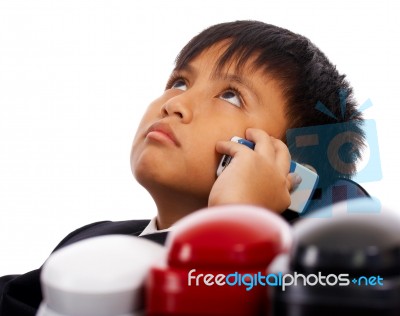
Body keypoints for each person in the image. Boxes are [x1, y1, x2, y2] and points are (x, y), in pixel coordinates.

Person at [0, 20, 366, 315]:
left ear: (288, 167)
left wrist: (237, 221)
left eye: (230, 96)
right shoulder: (91, 239)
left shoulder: (299, 278)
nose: (176, 103)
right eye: (179, 81)